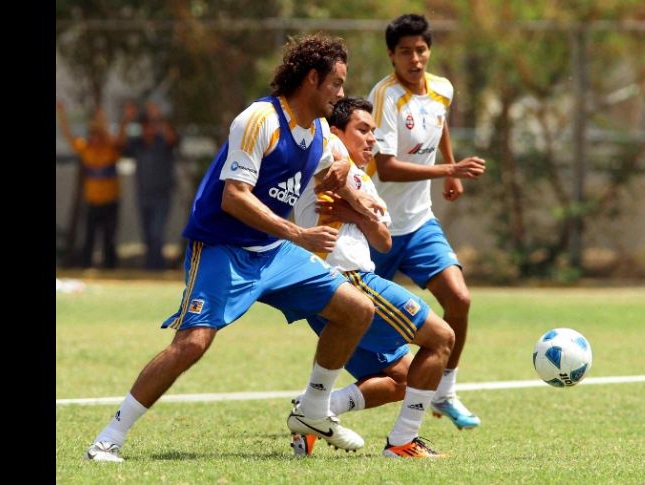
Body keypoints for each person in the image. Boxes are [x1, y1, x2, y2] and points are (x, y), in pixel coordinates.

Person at [85, 34, 380, 463]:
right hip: (223, 246)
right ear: (312, 79)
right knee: (193, 343)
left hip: (273, 252)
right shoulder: (259, 118)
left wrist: (348, 187)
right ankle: (108, 438)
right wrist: (299, 235)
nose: (340, 94)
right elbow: (234, 197)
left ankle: (314, 410)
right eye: (336, 84)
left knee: (357, 310)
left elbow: (332, 168)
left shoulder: (318, 130)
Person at [293, 97, 455, 458]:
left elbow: (383, 240)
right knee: (442, 338)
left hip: (334, 293)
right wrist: (361, 209)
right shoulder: (328, 159)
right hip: (348, 280)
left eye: (374, 134)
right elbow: (324, 141)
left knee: (403, 377)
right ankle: (402, 443)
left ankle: (317, 409)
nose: (372, 141)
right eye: (363, 131)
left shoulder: (363, 181)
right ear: (338, 133)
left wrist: (356, 210)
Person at [366, 13, 487, 429]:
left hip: (418, 223)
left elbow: (440, 124)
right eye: (405, 52)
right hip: (374, 228)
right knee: (350, 320)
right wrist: (446, 172)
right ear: (391, 55)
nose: (414, 59)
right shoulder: (384, 97)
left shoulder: (442, 88)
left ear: (429, 50)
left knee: (460, 300)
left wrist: (451, 167)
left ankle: (445, 391)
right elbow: (386, 168)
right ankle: (319, 399)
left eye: (420, 50)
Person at [56, 101, 133, 269]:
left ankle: (110, 268)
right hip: (92, 202)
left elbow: (118, 137)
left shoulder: (110, 149)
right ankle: (87, 267)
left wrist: (122, 119)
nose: (95, 139)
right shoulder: (86, 149)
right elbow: (67, 135)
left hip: (111, 202)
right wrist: (61, 115)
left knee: (109, 239)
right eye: (93, 135)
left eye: (98, 135)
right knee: (89, 238)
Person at [123, 101, 180, 270]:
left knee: (157, 232)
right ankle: (151, 266)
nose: (150, 129)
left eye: (152, 125)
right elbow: (119, 144)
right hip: (143, 195)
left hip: (162, 195)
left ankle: (157, 266)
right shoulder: (137, 145)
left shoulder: (164, 143)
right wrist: (126, 119)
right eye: (146, 126)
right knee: (147, 234)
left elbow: (173, 138)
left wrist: (158, 117)